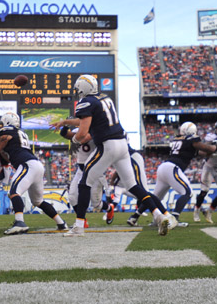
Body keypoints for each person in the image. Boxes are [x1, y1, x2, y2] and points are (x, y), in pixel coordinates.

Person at [52, 75, 173, 237]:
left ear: (82, 88)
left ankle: (79, 226)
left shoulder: (85, 102)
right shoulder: (104, 98)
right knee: (133, 186)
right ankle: (159, 215)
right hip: (122, 144)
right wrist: (66, 122)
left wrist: (73, 139)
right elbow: (86, 120)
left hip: (108, 145)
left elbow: (82, 132)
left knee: (84, 182)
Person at [0, 112, 67, 235]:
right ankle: (61, 223)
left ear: (7, 122)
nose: (0, 126)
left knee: (14, 192)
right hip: (36, 165)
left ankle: (19, 222)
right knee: (38, 201)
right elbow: (7, 157)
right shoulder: (19, 133)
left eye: (1, 123)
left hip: (27, 165)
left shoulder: (7, 131)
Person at [128, 122, 214, 228]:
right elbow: (205, 148)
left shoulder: (178, 139)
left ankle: (135, 217)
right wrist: (216, 148)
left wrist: (212, 153)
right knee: (187, 193)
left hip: (163, 167)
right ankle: (174, 219)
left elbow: (200, 153)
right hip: (172, 168)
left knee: (155, 197)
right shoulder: (191, 140)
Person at [57, 124, 114, 226]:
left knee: (96, 204)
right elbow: (66, 134)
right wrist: (65, 126)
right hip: (81, 170)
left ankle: (109, 209)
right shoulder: (78, 130)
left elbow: (85, 138)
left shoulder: (95, 129)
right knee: (72, 197)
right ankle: (82, 221)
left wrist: (76, 138)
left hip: (95, 170)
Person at [194, 120, 217, 223]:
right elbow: (201, 152)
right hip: (209, 166)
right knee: (204, 191)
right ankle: (196, 211)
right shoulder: (211, 138)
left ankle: (209, 211)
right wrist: (211, 151)